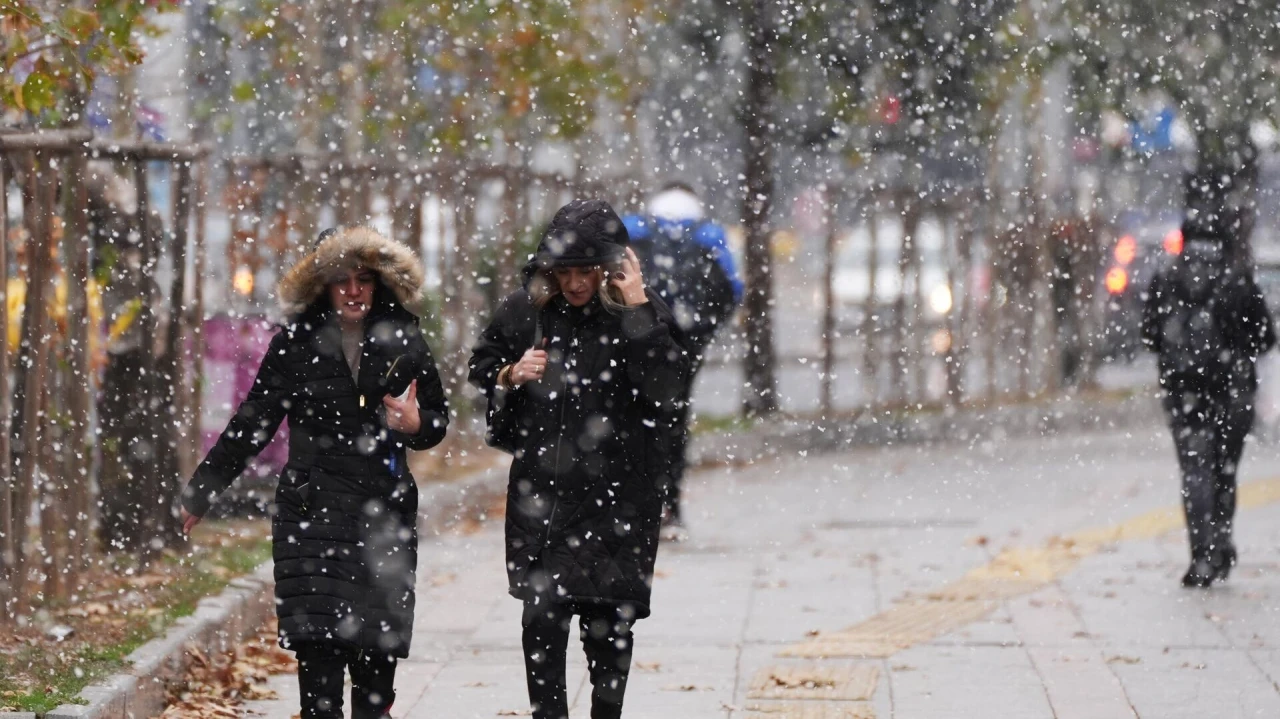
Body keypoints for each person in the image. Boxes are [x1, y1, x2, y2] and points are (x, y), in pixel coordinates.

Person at [179, 227, 449, 718]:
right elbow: (252, 422)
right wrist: (201, 492)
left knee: (374, 681)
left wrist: (414, 424)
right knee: (319, 679)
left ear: (379, 282)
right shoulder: (295, 345)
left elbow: (434, 419)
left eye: (363, 279)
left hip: (381, 518)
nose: (352, 290)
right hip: (312, 519)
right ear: (320, 285)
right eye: (339, 279)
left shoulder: (404, 337)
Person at [469, 199, 688, 719]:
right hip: (543, 497)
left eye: (584, 271)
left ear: (609, 266)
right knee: (541, 626)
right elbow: (482, 364)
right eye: (563, 272)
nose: (573, 284)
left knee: (608, 630)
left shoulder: (642, 309)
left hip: (619, 500)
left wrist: (637, 310)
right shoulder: (528, 309)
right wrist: (509, 373)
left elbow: (667, 390)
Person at [1141, 172, 1275, 588]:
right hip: (1232, 392)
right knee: (1224, 469)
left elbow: (1149, 337)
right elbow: (1266, 338)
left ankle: (1201, 554)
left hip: (1184, 392)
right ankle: (1220, 541)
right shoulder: (1237, 279)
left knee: (1194, 471)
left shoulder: (1166, 278)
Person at [621, 183, 742, 533]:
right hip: (687, 339)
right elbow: (733, 288)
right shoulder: (708, 233)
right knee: (673, 418)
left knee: (630, 414)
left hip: (637, 334)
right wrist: (703, 329)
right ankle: (668, 507)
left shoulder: (634, 227)